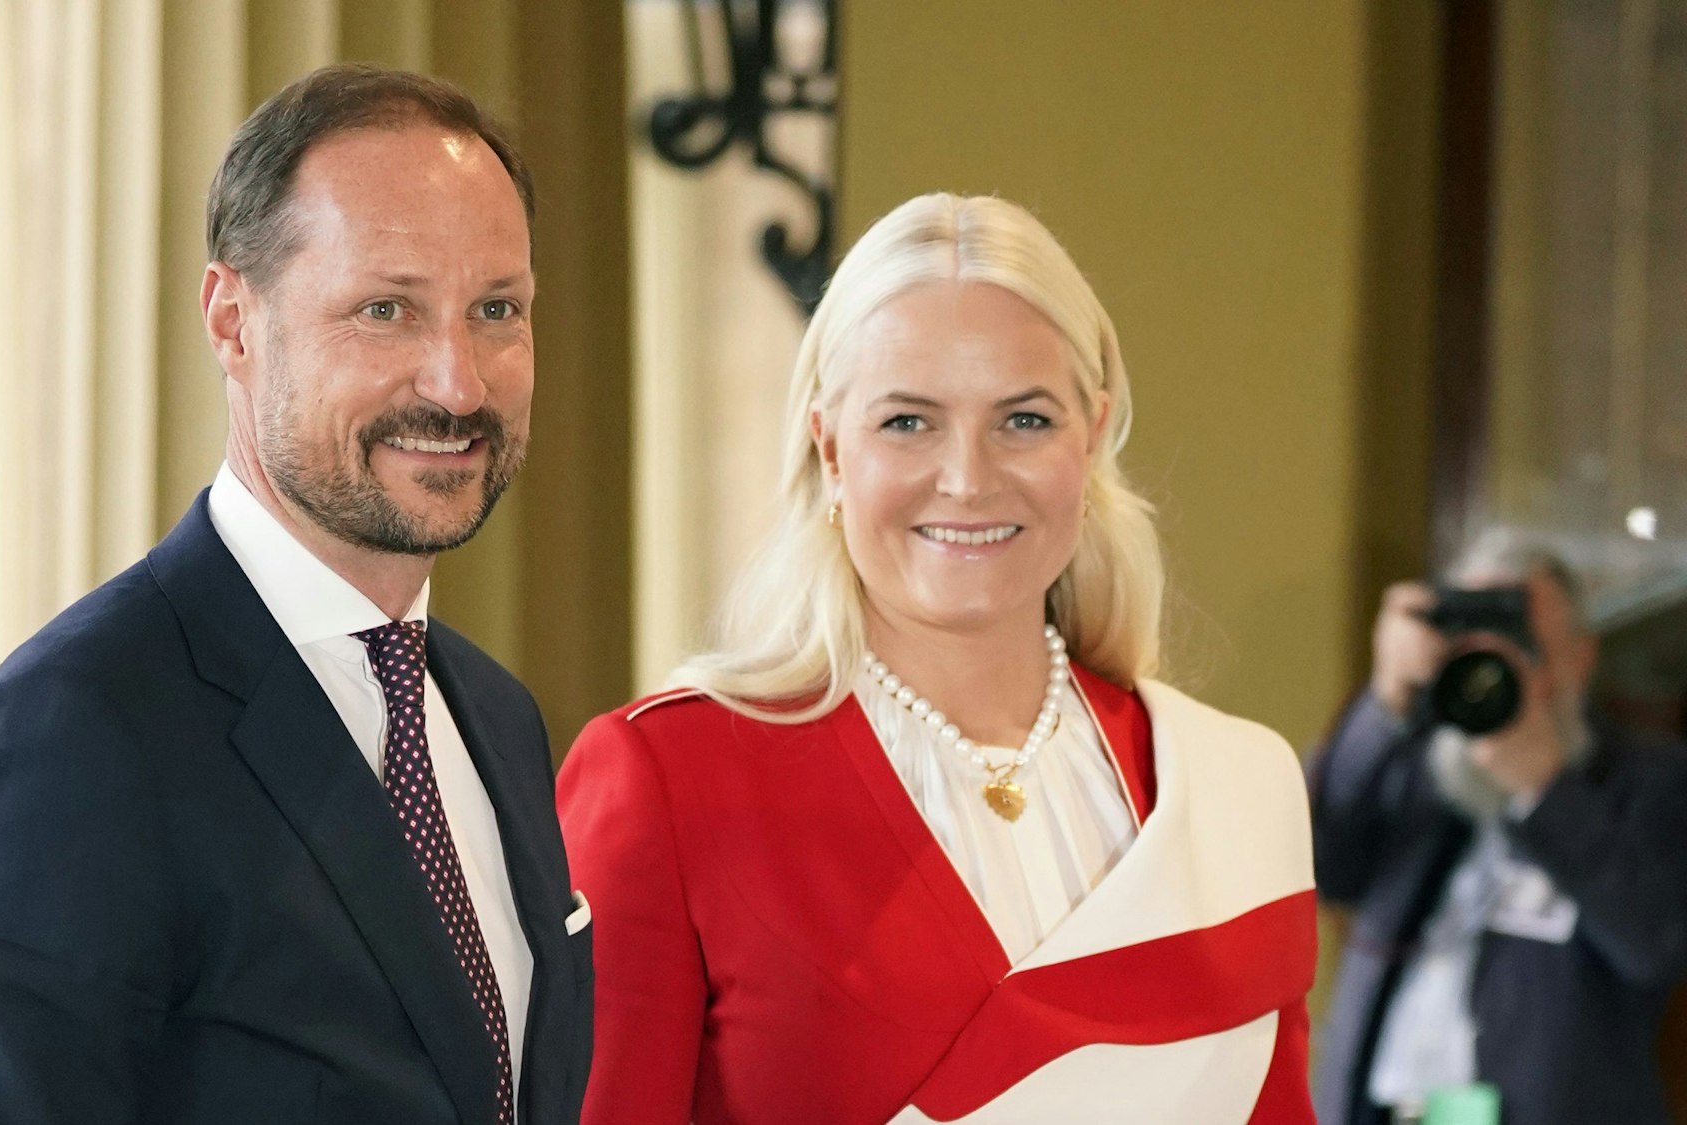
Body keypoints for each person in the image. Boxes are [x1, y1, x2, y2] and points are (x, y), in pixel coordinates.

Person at [0, 65, 591, 1125]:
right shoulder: (65, 742)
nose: (456, 383)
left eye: (496, 309)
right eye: (384, 309)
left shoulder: (494, 716)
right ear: (231, 321)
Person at [557, 192, 1318, 1124]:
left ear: (1093, 436)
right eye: (908, 422)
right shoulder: (670, 779)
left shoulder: (1238, 786)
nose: (967, 476)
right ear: (830, 448)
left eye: (1025, 419)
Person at [1311, 532, 1687, 1125]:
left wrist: (1543, 789)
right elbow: (1315, 863)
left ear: (1580, 657)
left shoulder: (1650, 777)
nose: (1496, 665)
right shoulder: (1414, 764)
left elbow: (1656, 944)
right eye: (1472, 640)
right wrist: (1385, 704)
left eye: (1521, 641)